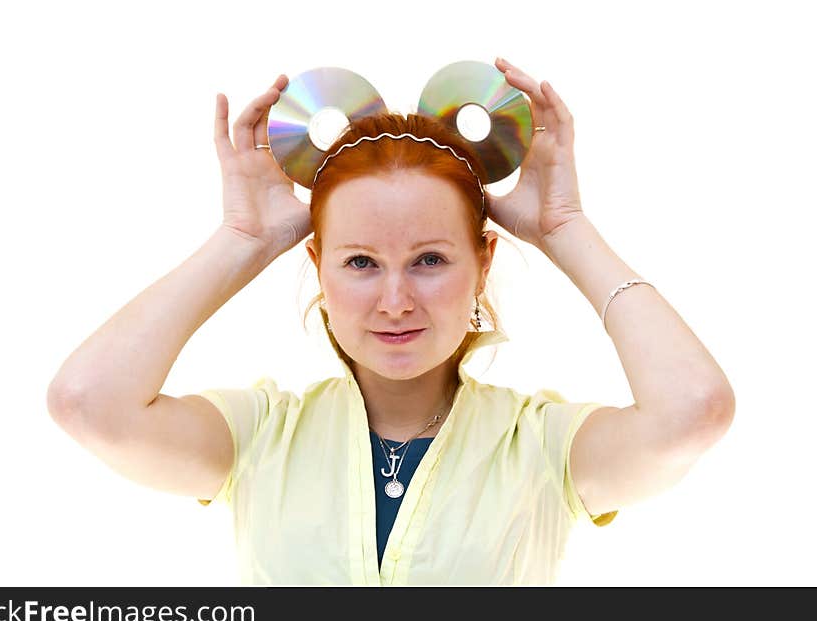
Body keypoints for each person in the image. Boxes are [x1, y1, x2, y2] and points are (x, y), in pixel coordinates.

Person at [46, 57, 736, 586]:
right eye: (361, 263)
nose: (396, 300)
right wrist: (240, 241)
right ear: (318, 265)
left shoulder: (542, 448)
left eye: (430, 259)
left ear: (482, 262)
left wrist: (566, 228)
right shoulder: (259, 435)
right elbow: (87, 403)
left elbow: (694, 411)